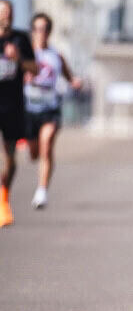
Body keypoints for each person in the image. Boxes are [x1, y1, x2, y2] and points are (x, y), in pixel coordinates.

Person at [25, 12, 82, 209]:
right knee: (34, 153)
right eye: (37, 29)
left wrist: (75, 81)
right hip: (29, 109)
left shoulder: (56, 55)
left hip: (50, 107)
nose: (41, 33)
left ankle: (42, 191)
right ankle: (35, 155)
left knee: (47, 144)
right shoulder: (24, 54)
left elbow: (68, 75)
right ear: (32, 31)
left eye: (45, 29)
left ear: (49, 32)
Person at [0, 0, 37, 227]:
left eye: (10, 12)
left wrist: (18, 58)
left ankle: (4, 196)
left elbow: (35, 68)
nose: (7, 16)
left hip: (12, 106)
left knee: (11, 159)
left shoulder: (21, 39)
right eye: (3, 12)